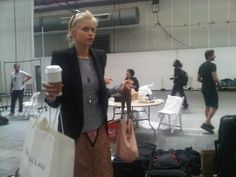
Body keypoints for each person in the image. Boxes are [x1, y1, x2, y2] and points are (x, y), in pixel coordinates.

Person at [44, 10, 133, 177]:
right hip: (75, 131)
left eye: (93, 29)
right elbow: (55, 101)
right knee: (79, 172)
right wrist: (51, 95)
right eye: (85, 29)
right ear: (72, 32)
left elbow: (98, 92)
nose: (91, 33)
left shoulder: (100, 56)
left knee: (103, 171)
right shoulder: (61, 57)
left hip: (99, 128)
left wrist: (118, 89)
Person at [198, 49, 220, 134]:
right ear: (209, 56)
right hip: (211, 88)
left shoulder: (201, 66)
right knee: (214, 106)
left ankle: (209, 123)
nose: (215, 56)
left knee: (207, 105)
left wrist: (205, 82)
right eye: (214, 55)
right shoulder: (212, 65)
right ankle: (206, 122)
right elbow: (215, 78)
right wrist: (219, 83)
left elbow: (198, 79)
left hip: (204, 88)